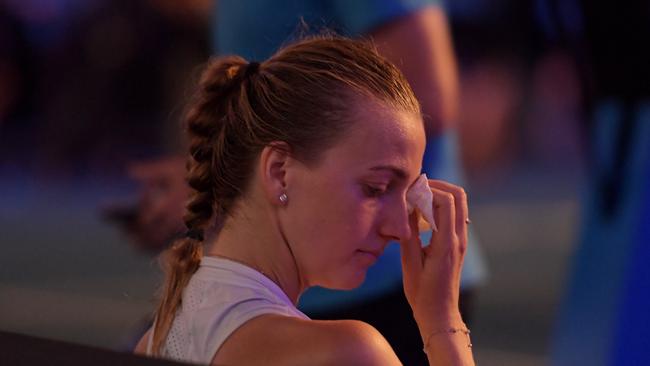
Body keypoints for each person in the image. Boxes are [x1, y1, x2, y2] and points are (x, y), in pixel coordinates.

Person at [134, 36, 475, 365]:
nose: (401, 229)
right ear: (280, 171)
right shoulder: (348, 353)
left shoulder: (155, 341)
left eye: (407, 196)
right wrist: (442, 323)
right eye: (376, 187)